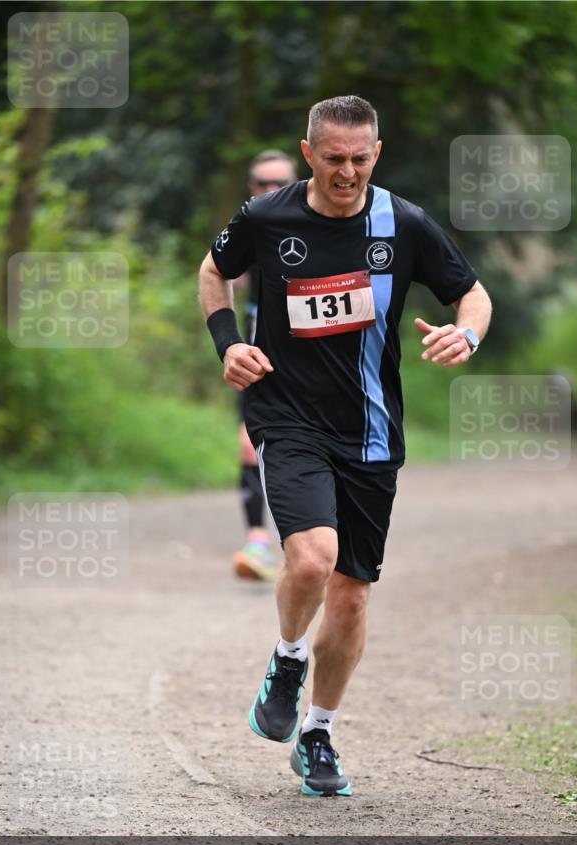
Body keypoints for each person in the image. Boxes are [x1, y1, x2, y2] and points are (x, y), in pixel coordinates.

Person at [199, 95, 492, 797]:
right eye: (333, 158)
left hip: (369, 427)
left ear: (376, 153)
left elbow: (472, 294)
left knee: (352, 597)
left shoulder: (403, 222)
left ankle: (318, 734)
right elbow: (214, 273)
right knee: (311, 560)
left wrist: (467, 334)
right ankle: (287, 657)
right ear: (308, 155)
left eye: (360, 158)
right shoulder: (268, 218)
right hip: (287, 414)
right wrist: (228, 343)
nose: (347, 172)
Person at [232, 150, 298, 581]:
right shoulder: (250, 227)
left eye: (280, 184)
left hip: (322, 360)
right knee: (247, 442)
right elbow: (218, 274)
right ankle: (258, 541)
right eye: (261, 184)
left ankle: (317, 543)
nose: (270, 191)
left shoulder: (323, 226)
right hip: (260, 354)